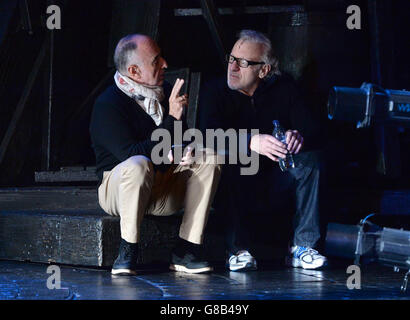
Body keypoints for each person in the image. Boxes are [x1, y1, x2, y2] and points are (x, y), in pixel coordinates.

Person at [89, 34, 221, 275]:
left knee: (208, 157)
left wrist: (187, 149)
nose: (165, 64)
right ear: (134, 71)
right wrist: (171, 118)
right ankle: (128, 248)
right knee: (138, 163)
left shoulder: (165, 92)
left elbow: (181, 140)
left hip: (160, 190)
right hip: (118, 191)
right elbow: (130, 153)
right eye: (156, 60)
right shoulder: (108, 104)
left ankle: (186, 249)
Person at [199, 30, 327, 271]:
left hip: (275, 179)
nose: (233, 67)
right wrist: (250, 142)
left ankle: (303, 246)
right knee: (232, 160)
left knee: (310, 160)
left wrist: (297, 135)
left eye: (244, 63)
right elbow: (206, 137)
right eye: (232, 59)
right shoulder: (214, 91)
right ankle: (237, 250)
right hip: (236, 182)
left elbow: (313, 129)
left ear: (264, 70)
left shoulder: (284, 88)